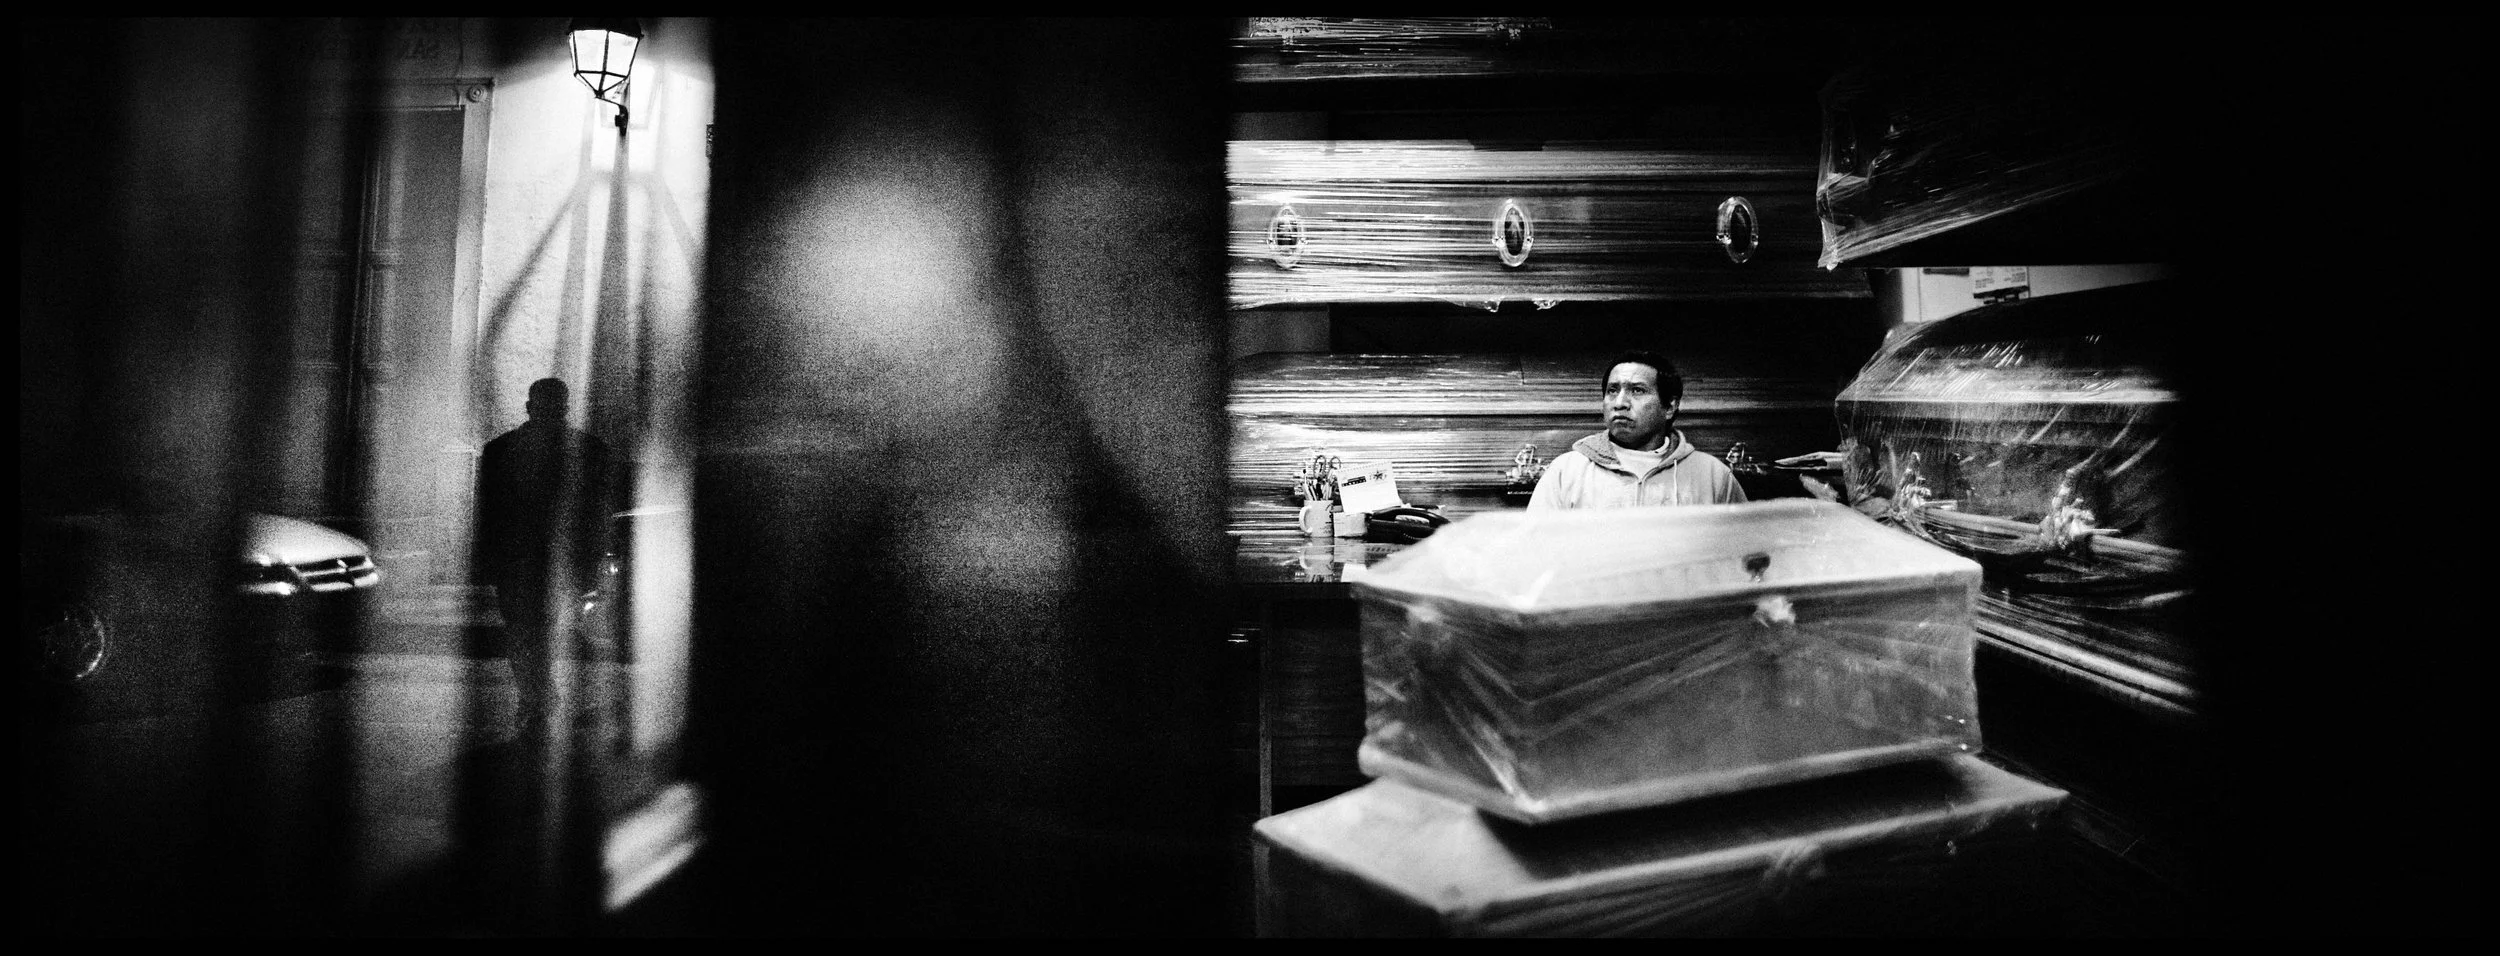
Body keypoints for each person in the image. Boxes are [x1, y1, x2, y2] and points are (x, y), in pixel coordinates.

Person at [475, 377, 616, 738]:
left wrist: (485, 562)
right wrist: (593, 562)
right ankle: (539, 696)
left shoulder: (500, 450)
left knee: (523, 631)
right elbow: (597, 514)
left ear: (528, 406)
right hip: (558, 560)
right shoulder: (590, 450)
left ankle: (536, 696)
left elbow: (488, 513)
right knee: (543, 629)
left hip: (518, 560)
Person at [1526, 351, 1749, 511]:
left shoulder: (1713, 476)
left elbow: (1742, 554)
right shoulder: (1566, 471)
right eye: (1612, 391)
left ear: (1670, 407)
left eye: (1637, 390)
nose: (1620, 403)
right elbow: (1535, 552)